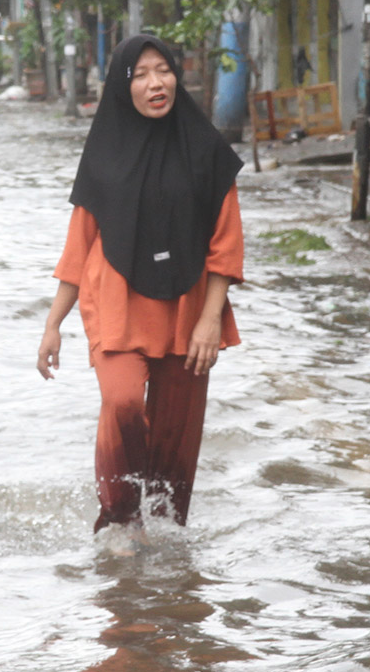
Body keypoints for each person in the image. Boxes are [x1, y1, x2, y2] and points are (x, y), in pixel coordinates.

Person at [36, 34, 244, 538]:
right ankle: (121, 520)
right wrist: (52, 325)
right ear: (122, 86)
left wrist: (210, 320)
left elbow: (226, 245)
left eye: (164, 70)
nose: (156, 83)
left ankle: (169, 563)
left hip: (188, 312)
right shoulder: (104, 154)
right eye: (142, 74)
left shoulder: (207, 151)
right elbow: (79, 245)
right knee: (123, 402)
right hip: (117, 305)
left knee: (176, 443)